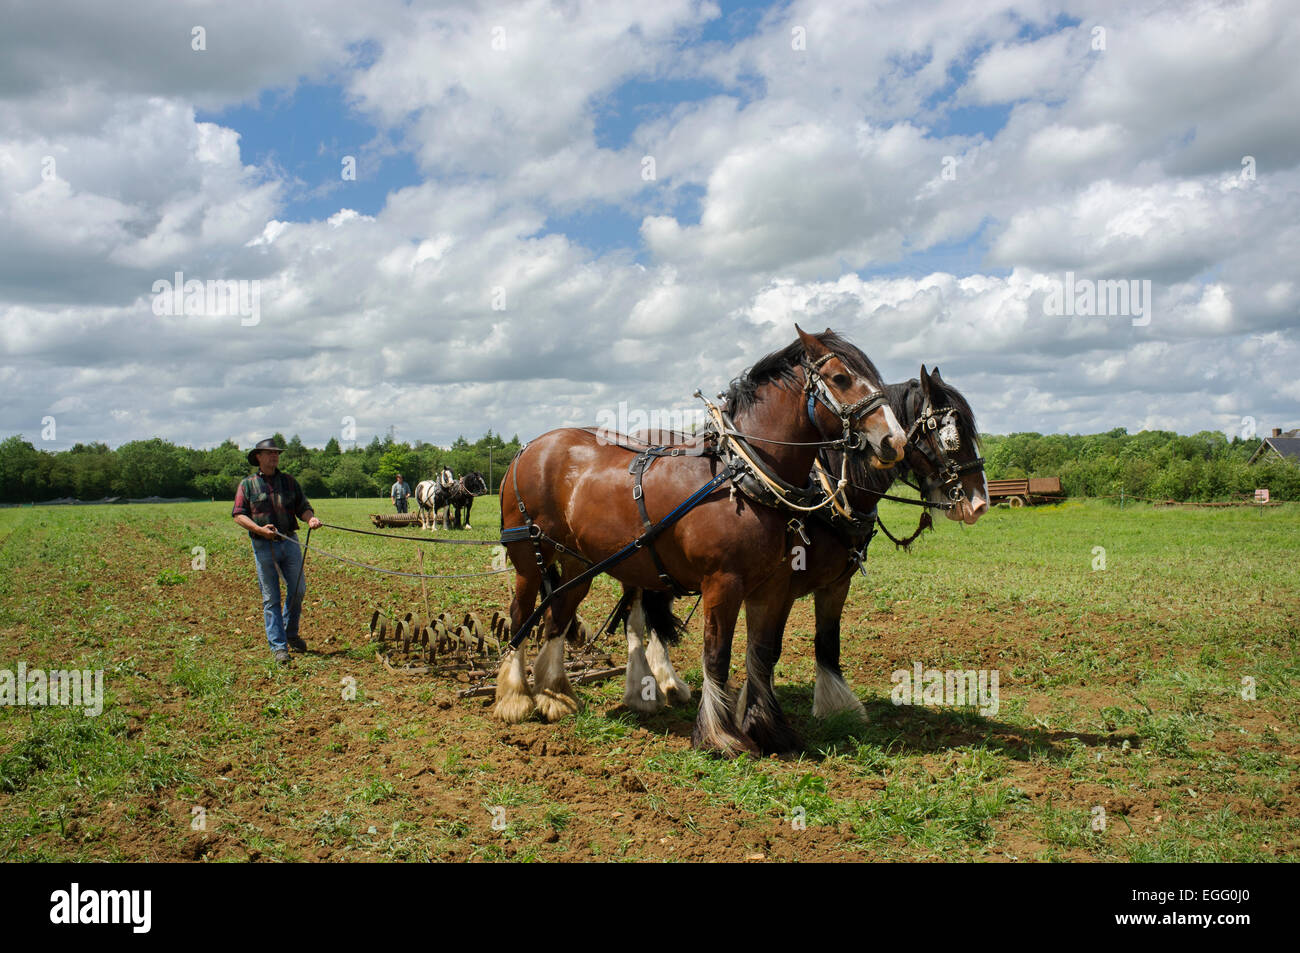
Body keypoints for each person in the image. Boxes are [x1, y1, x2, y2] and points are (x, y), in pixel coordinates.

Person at [231, 438, 322, 665]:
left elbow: (303, 506)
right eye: (269, 453)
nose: (274, 456)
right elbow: (238, 514)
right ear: (258, 457)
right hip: (264, 545)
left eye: (276, 453)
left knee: (298, 589)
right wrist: (259, 530)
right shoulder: (248, 484)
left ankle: (290, 633)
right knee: (271, 597)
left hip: (289, 541)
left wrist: (311, 519)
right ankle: (279, 646)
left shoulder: (289, 482)